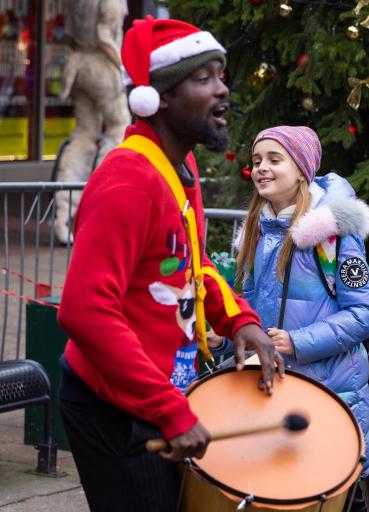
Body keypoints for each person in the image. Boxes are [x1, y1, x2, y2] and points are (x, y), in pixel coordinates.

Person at [56, 16, 284, 512]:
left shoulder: (181, 168)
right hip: (112, 406)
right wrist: (167, 410)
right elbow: (84, 310)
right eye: (203, 79)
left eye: (221, 75)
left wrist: (240, 320)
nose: (223, 90)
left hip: (156, 398)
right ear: (156, 97)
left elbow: (190, 261)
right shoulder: (128, 181)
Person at [235, 125, 369, 510]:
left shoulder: (332, 235)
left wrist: (299, 341)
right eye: (256, 161)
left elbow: (367, 311)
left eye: (274, 159)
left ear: (301, 169)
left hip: (329, 394)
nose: (261, 168)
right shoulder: (258, 230)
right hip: (277, 394)